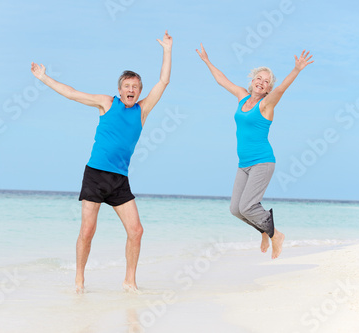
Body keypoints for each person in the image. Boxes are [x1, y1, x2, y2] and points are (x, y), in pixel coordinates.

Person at [31, 30, 172, 293]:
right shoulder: (107, 103)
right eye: (127, 86)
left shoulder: (143, 110)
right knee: (87, 231)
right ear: (119, 90)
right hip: (95, 175)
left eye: (135, 87)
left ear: (139, 91)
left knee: (137, 231)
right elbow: (72, 93)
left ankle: (129, 281)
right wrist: (44, 78)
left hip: (119, 179)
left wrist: (166, 49)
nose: (131, 90)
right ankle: (79, 281)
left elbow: (163, 82)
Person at [196, 44, 313, 259]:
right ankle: (265, 231)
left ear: (268, 89)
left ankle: (276, 235)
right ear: (252, 82)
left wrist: (296, 69)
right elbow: (222, 80)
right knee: (236, 209)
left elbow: (281, 90)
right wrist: (206, 60)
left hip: (262, 162)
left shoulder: (267, 104)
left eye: (266, 81)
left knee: (248, 206)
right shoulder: (242, 97)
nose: (261, 82)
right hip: (244, 164)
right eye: (259, 78)